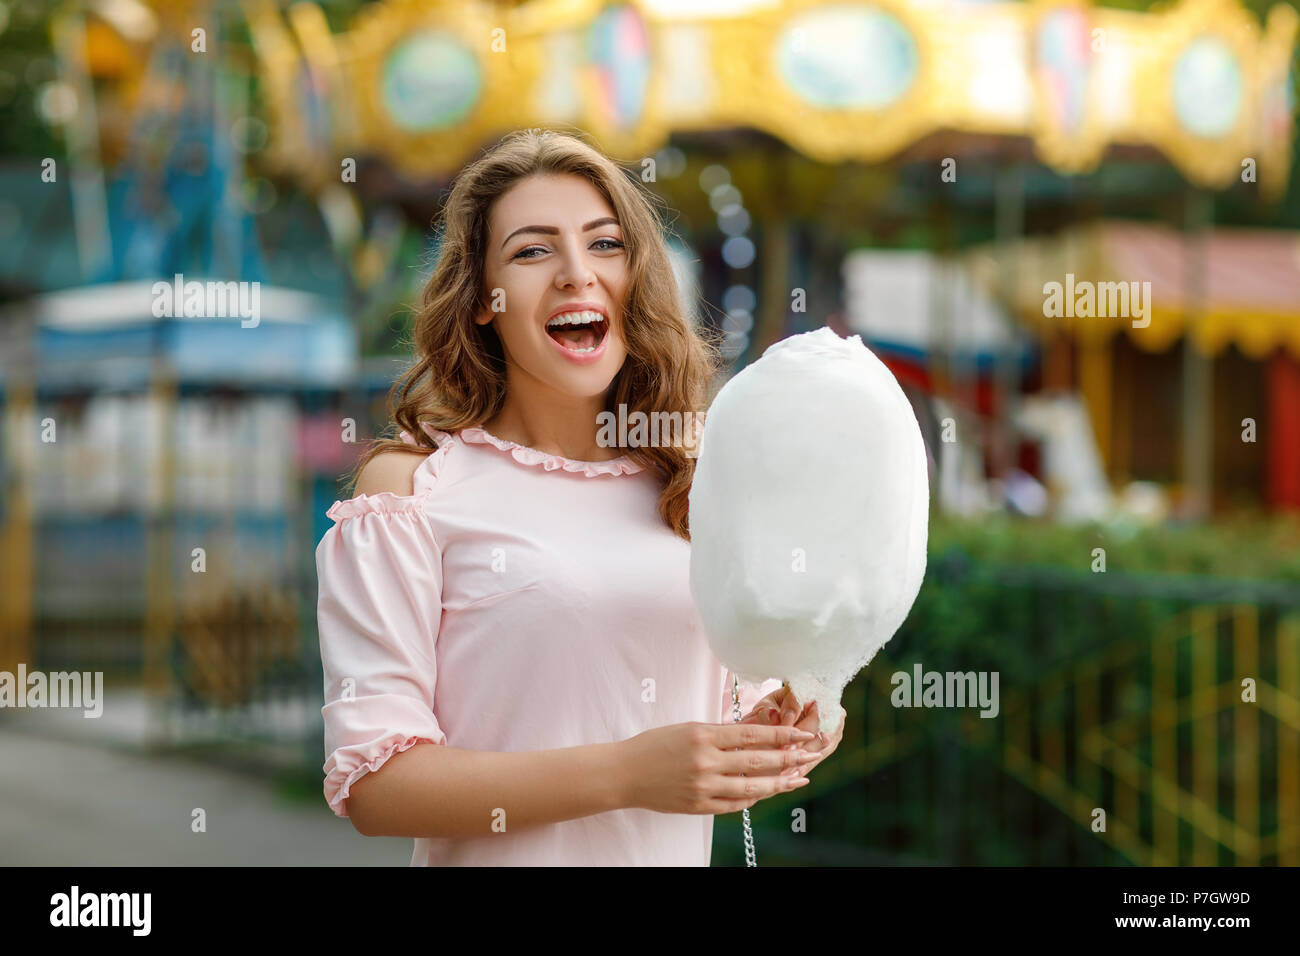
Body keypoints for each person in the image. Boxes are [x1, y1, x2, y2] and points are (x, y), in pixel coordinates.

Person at [315, 128, 844, 866]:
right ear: (479, 302)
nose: (576, 274)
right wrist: (629, 772)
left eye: (604, 244)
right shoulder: (412, 489)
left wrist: (784, 728)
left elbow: (719, 729)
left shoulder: (693, 482)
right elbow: (376, 784)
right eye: (532, 251)